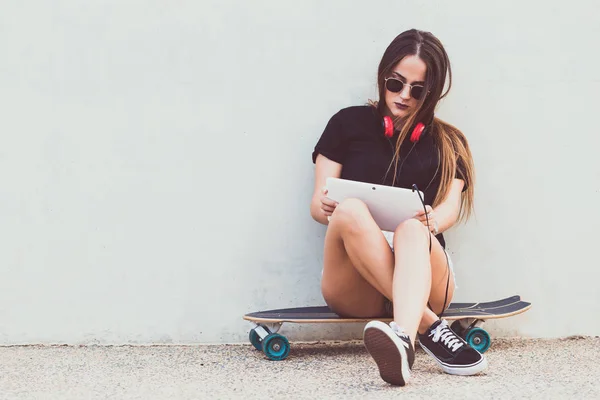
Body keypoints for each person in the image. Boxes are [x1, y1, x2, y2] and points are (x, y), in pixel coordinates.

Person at [310, 29, 487, 386]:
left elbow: (451, 207)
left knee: (411, 228)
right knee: (349, 209)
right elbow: (317, 205)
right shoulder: (346, 124)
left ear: (432, 93)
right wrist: (327, 205)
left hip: (425, 274)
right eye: (396, 84)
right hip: (357, 285)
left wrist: (433, 221)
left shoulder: (449, 143)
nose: (404, 96)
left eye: (418, 90)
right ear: (383, 77)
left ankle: (402, 337)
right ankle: (426, 330)